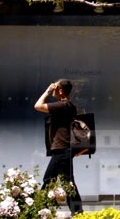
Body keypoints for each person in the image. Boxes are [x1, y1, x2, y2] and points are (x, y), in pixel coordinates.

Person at [34, 78, 83, 214]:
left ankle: (39, 209)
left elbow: (37, 106)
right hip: (62, 150)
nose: (53, 90)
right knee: (59, 181)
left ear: (60, 91)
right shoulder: (68, 106)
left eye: (55, 88)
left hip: (62, 150)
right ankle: (76, 212)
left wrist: (47, 91)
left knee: (57, 181)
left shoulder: (63, 105)